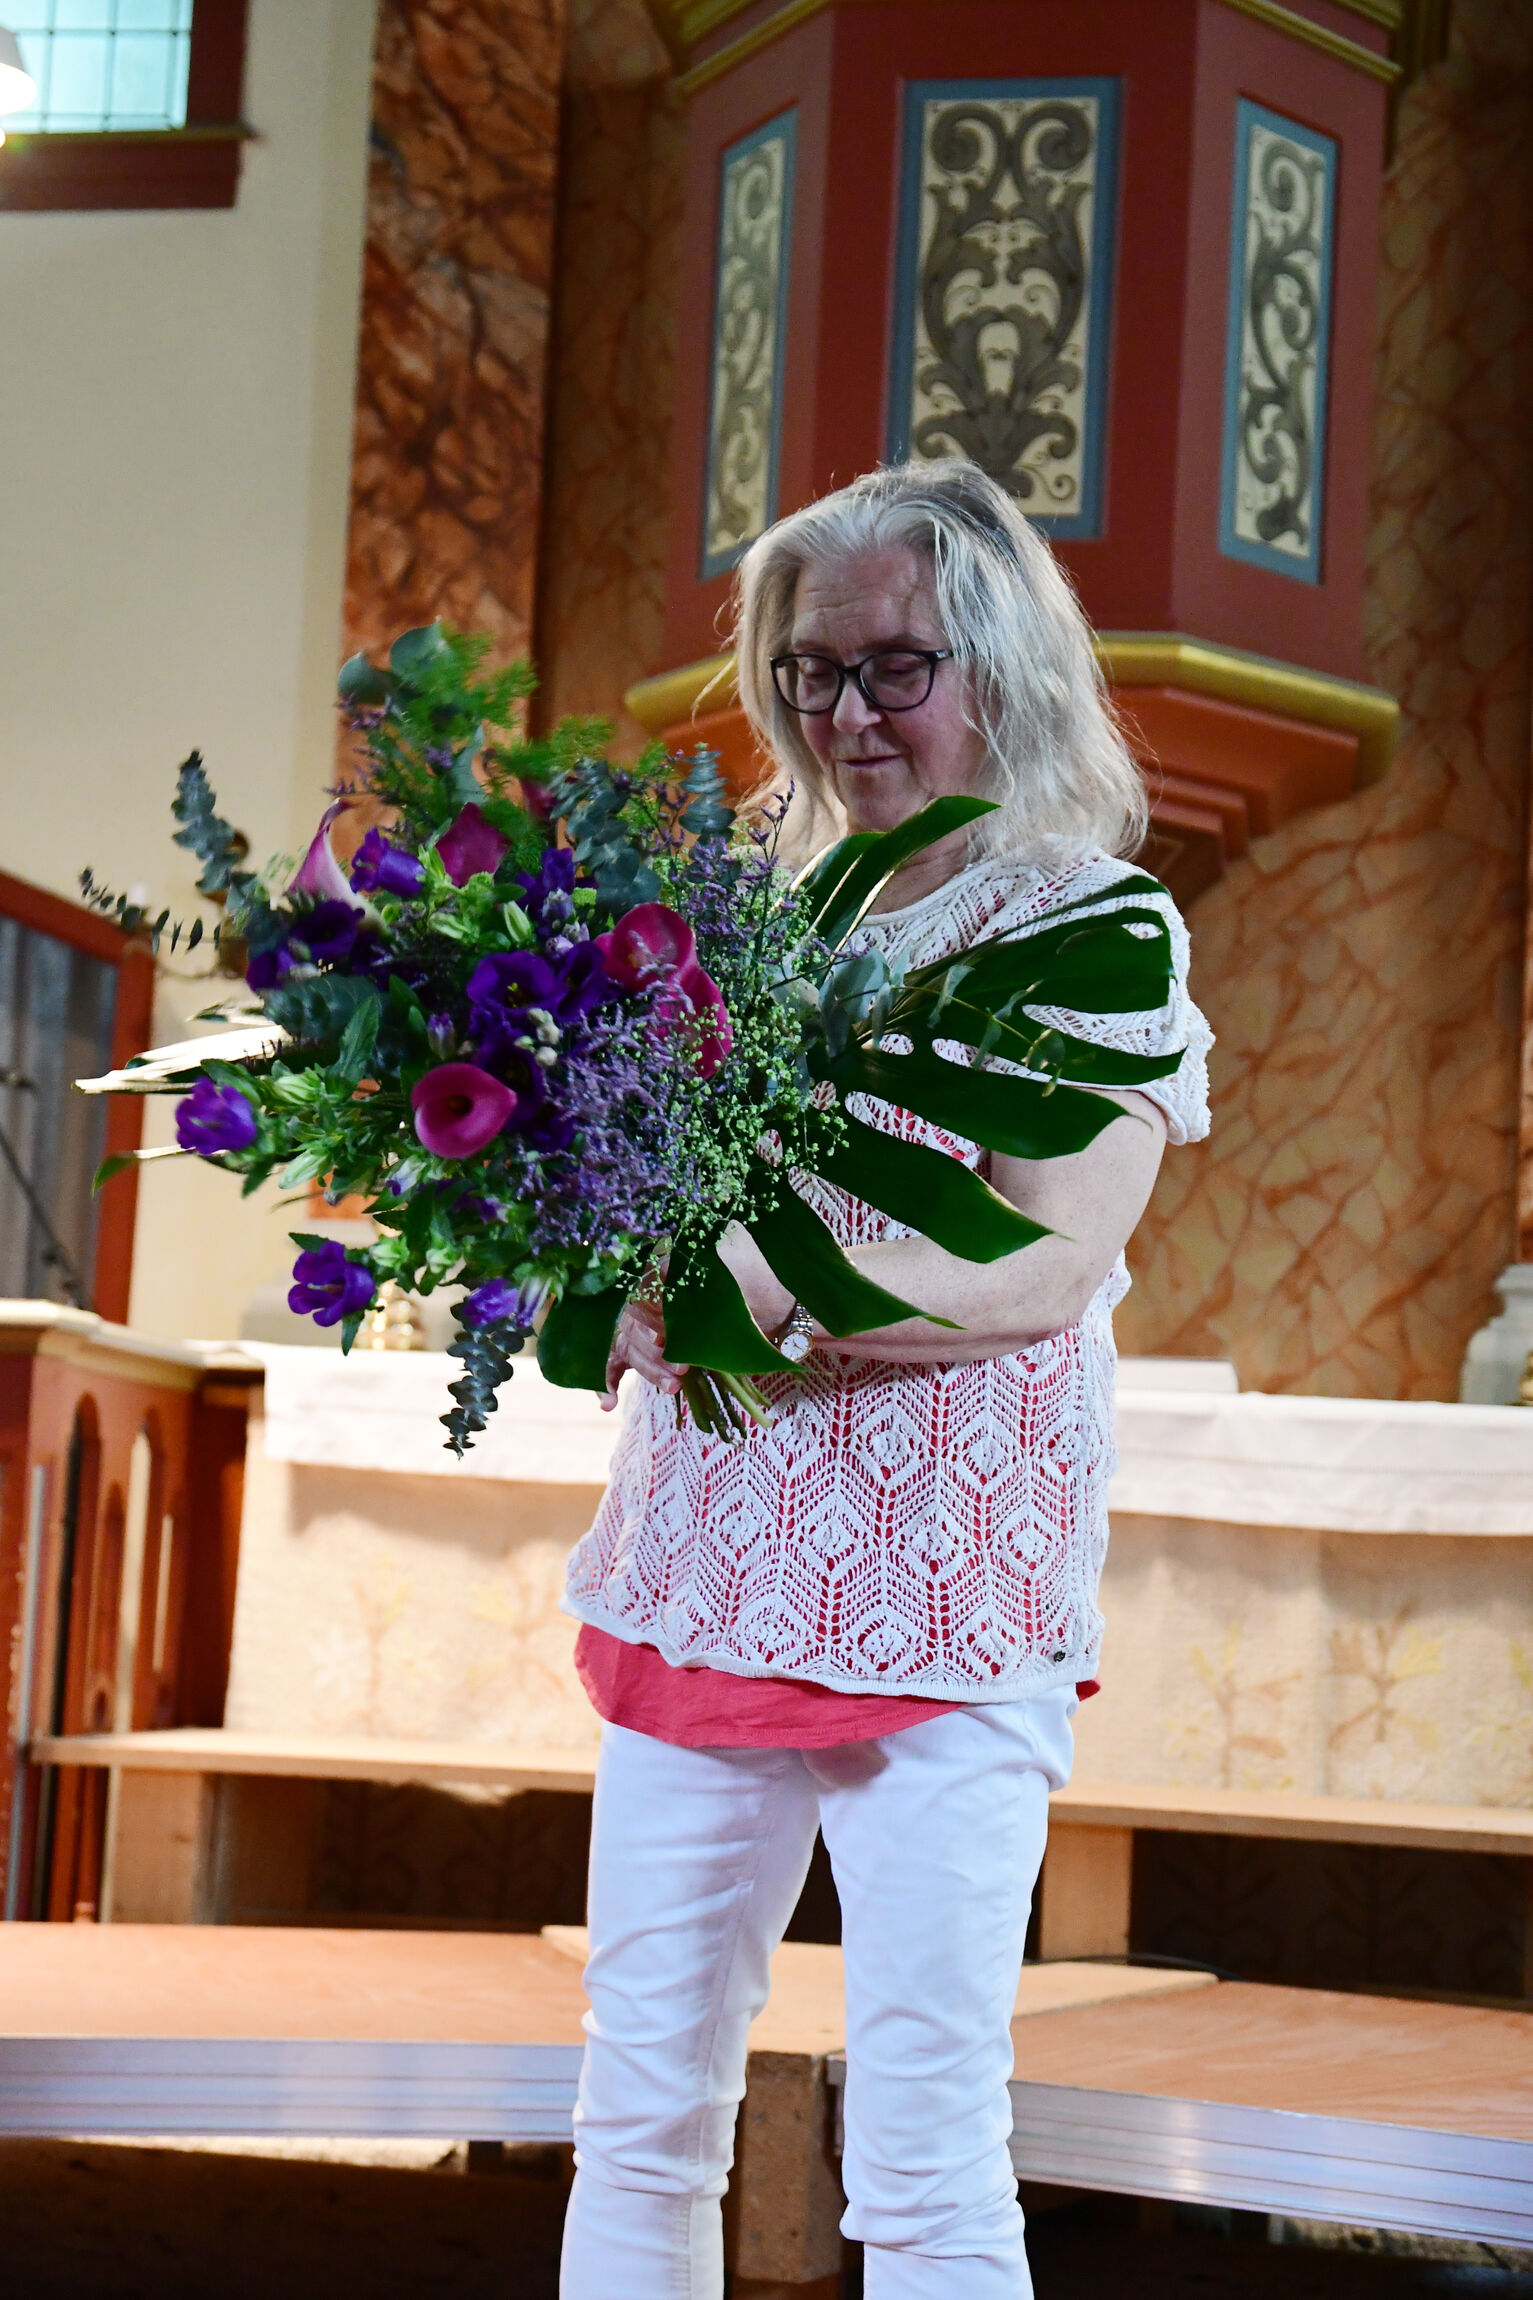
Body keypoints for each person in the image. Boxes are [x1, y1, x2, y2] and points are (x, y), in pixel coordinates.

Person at [558, 457, 1212, 2300]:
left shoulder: (1085, 924)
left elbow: (1045, 1262)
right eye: (810, 671)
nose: (847, 714)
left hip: (943, 1582)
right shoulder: (741, 920)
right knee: (638, 2117)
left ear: (1001, 665)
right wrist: (598, 1269)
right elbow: (636, 1199)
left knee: (922, 2147)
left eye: (895, 667)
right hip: (706, 1560)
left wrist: (750, 1298)